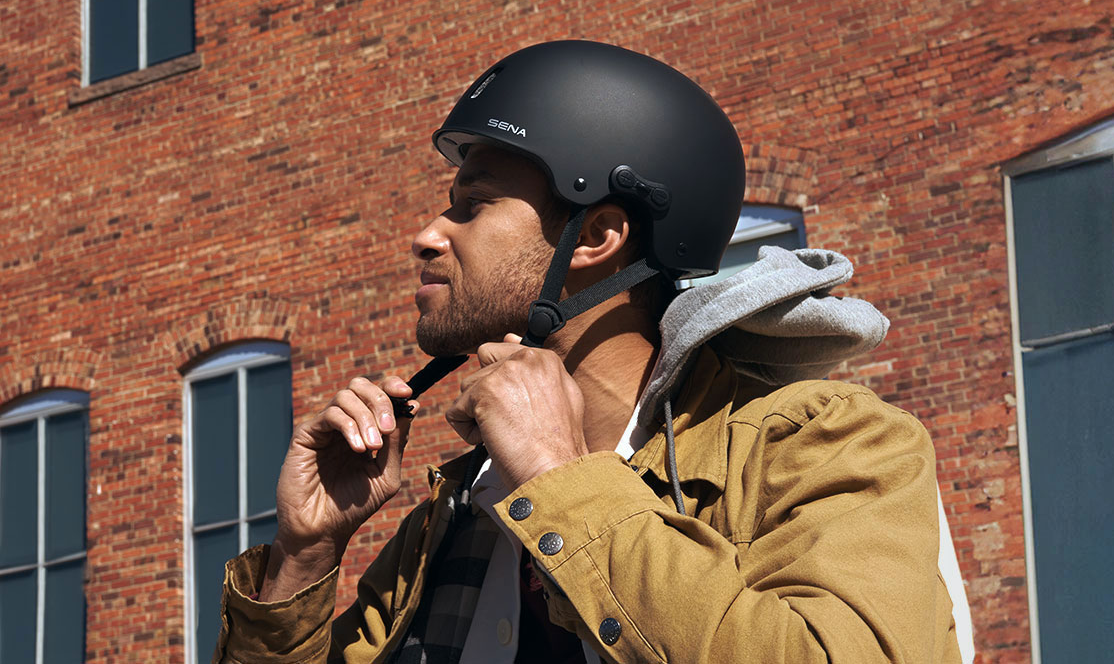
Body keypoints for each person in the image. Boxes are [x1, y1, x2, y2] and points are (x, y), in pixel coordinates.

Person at [214, 40, 966, 663]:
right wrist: (305, 557)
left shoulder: (826, 444)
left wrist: (558, 477)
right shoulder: (454, 515)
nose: (427, 235)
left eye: (473, 205)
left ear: (598, 237)